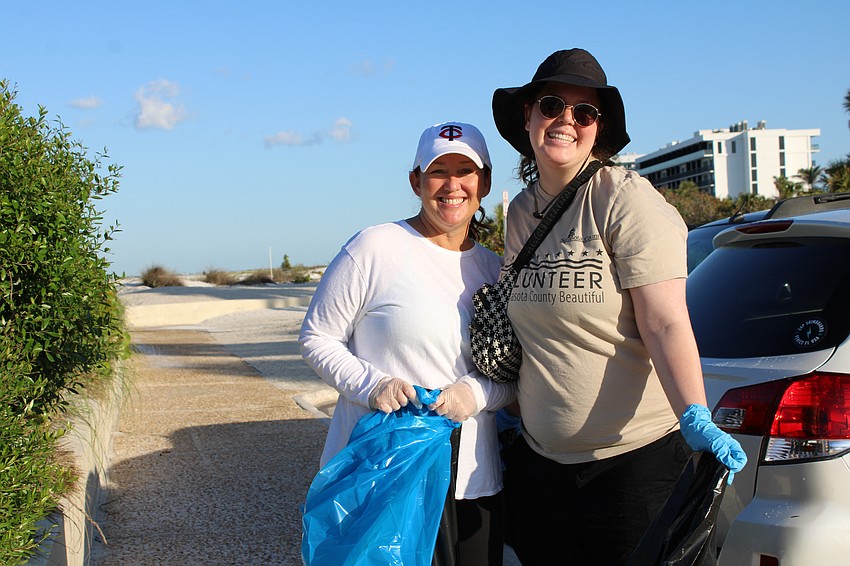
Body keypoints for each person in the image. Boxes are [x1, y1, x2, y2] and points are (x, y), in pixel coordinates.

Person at [490, 48, 747, 564]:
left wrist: (695, 414)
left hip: (634, 466)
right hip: (542, 469)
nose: (566, 120)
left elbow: (666, 320)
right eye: (552, 104)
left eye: (584, 113)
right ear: (528, 115)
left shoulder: (626, 199)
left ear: (596, 129)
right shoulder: (519, 214)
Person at [299, 121, 516, 565]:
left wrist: (474, 393)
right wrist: (372, 385)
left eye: (465, 171)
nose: (451, 185)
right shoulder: (375, 248)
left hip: (472, 480)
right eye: (438, 172)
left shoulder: (497, 270)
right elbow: (317, 337)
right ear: (416, 180)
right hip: (381, 470)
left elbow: (515, 376)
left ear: (485, 182)